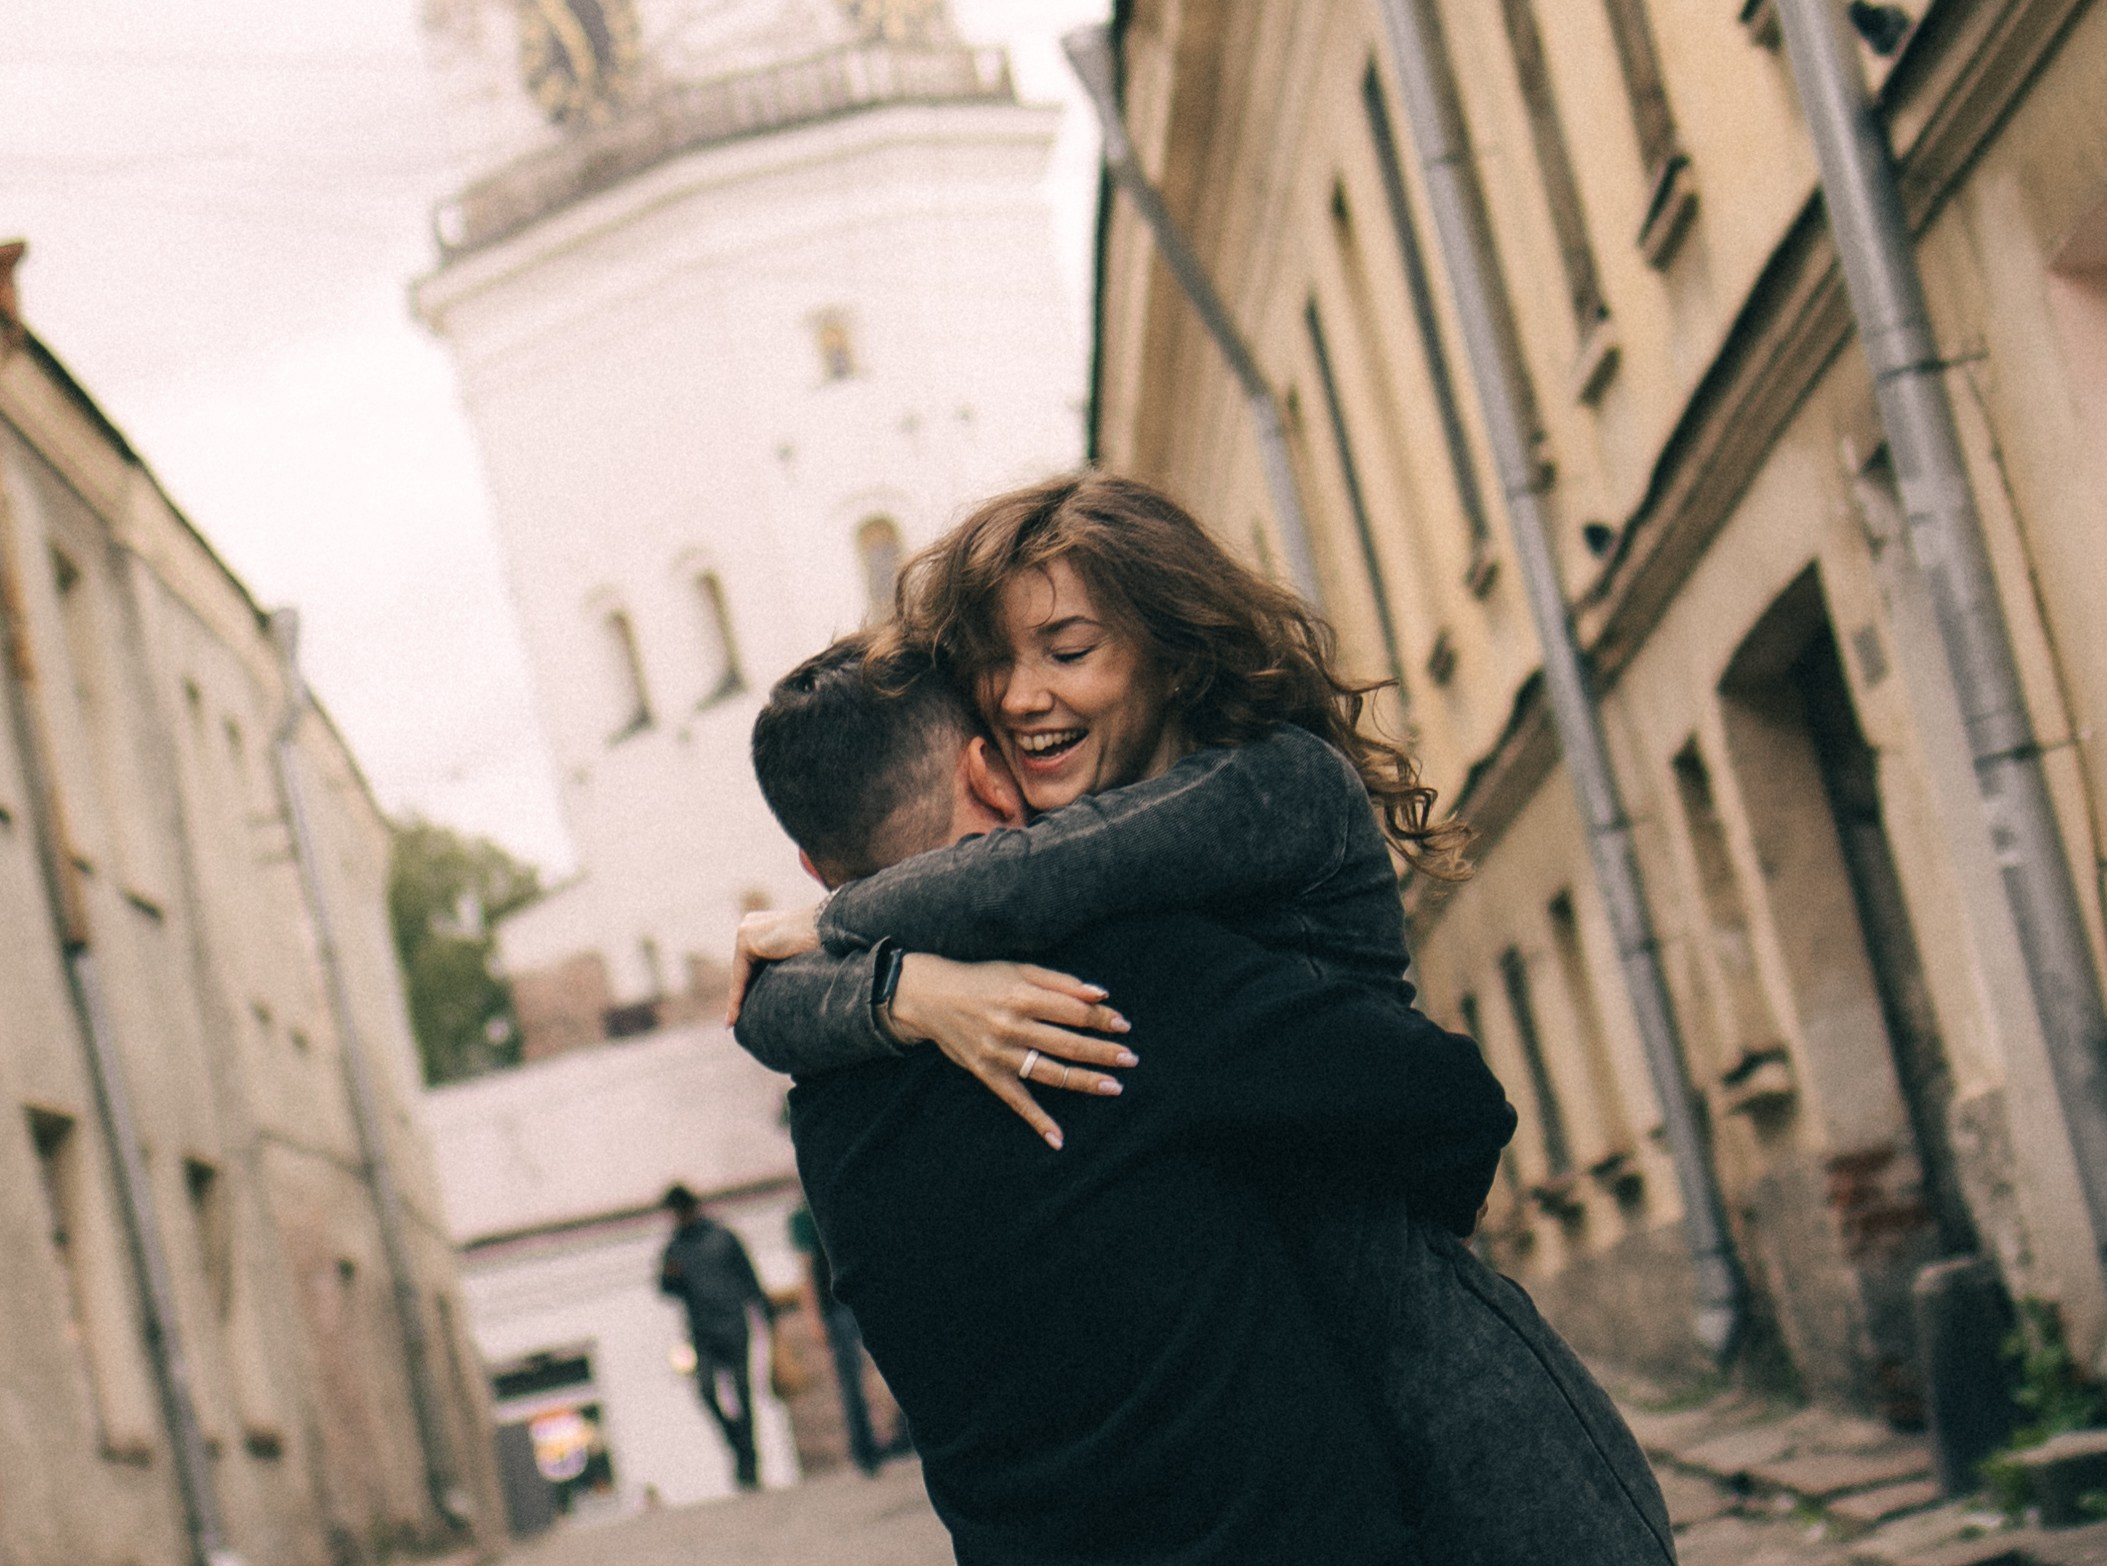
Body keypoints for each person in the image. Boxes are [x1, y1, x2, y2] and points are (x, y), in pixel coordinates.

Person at [734, 473, 1679, 1565]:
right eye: (996, 661)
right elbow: (820, 988)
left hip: (1420, 1372)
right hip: (1295, 1389)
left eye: (1068, 650)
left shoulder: (1269, 790)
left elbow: (1009, 884)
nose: (1023, 695)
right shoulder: (1082, 909)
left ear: (1170, 656)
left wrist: (834, 926)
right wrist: (905, 991)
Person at [752, 634, 1517, 1562]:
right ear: (989, 774)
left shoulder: (826, 1102)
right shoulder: (1118, 980)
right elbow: (1452, 1106)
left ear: (810, 866)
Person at [657, 1183, 769, 1490]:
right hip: (701, 1333)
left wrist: (765, 1316)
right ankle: (737, 1442)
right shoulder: (674, 1248)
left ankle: (749, 1462)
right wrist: (671, 1276)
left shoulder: (723, 1237)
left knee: (742, 1393)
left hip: (733, 1325)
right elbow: (665, 1288)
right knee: (706, 1390)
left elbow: (750, 1278)